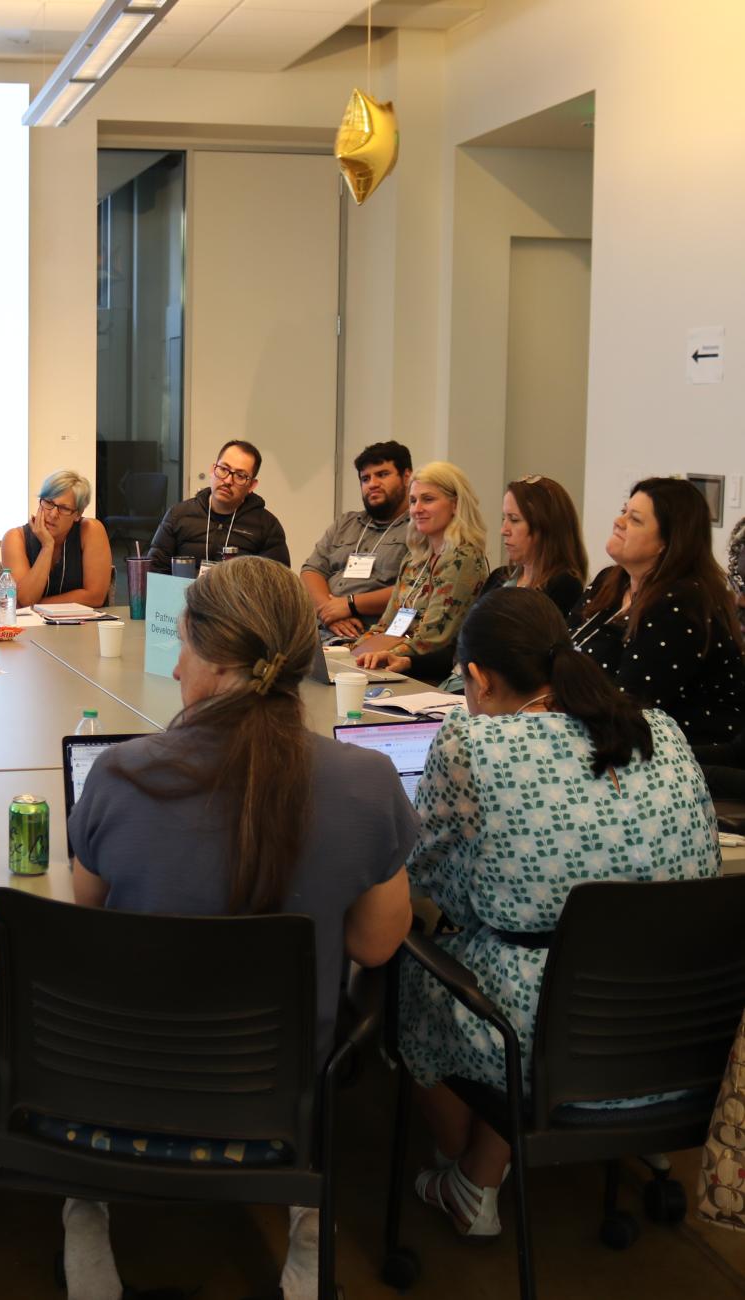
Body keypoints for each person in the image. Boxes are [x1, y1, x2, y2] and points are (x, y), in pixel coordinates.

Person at [66, 556, 414, 1300]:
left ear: (205, 656)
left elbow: (83, 916)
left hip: (121, 1073)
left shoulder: (121, 774)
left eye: (183, 643)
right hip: (277, 1082)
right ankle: (308, 1225)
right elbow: (377, 944)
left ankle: (82, 1206)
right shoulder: (366, 782)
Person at [398, 586, 720, 1239]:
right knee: (528, 945)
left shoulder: (473, 743)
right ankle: (481, 1170)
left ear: (479, 678)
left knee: (413, 964)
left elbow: (422, 873)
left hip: (544, 1034)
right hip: (685, 1023)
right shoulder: (660, 728)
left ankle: (465, 1170)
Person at [569, 476, 745, 744]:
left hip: (676, 757)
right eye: (623, 512)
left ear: (668, 542)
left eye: (635, 520)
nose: (618, 522)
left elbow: (629, 704)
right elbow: (558, 647)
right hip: (597, 733)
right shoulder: (610, 581)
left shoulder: (682, 602)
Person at [365, 473, 587, 683]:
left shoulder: (563, 585)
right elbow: (460, 650)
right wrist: (407, 662)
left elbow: (531, 667)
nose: (504, 530)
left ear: (544, 526)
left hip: (491, 699)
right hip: (459, 686)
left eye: (514, 520)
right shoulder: (501, 577)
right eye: (504, 518)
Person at [353, 460, 488, 661]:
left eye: (428, 499)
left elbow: (432, 639)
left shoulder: (463, 558)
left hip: (425, 670)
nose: (417, 509)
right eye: (413, 501)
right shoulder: (414, 559)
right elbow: (385, 625)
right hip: (391, 661)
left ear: (455, 504)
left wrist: (379, 656)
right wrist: (352, 651)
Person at [301, 440, 412, 639]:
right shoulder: (347, 523)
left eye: (382, 474)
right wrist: (329, 613)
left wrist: (350, 604)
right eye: (365, 478)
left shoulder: (419, 528)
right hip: (321, 627)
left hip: (367, 636)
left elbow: (413, 590)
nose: (373, 484)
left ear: (406, 477)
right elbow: (312, 571)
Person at [146, 440, 290, 573]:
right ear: (212, 469)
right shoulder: (179, 515)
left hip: (238, 600)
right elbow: (155, 568)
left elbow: (276, 582)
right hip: (184, 598)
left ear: (251, 485)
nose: (228, 480)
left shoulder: (267, 526)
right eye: (223, 469)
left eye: (240, 475)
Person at [0, 470, 112, 607]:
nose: (53, 514)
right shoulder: (15, 538)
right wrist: (47, 546)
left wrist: (38, 605)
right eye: (48, 503)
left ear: (78, 514)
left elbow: (95, 597)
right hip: (31, 627)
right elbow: (25, 599)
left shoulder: (91, 530)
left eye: (64, 508)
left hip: (83, 624)